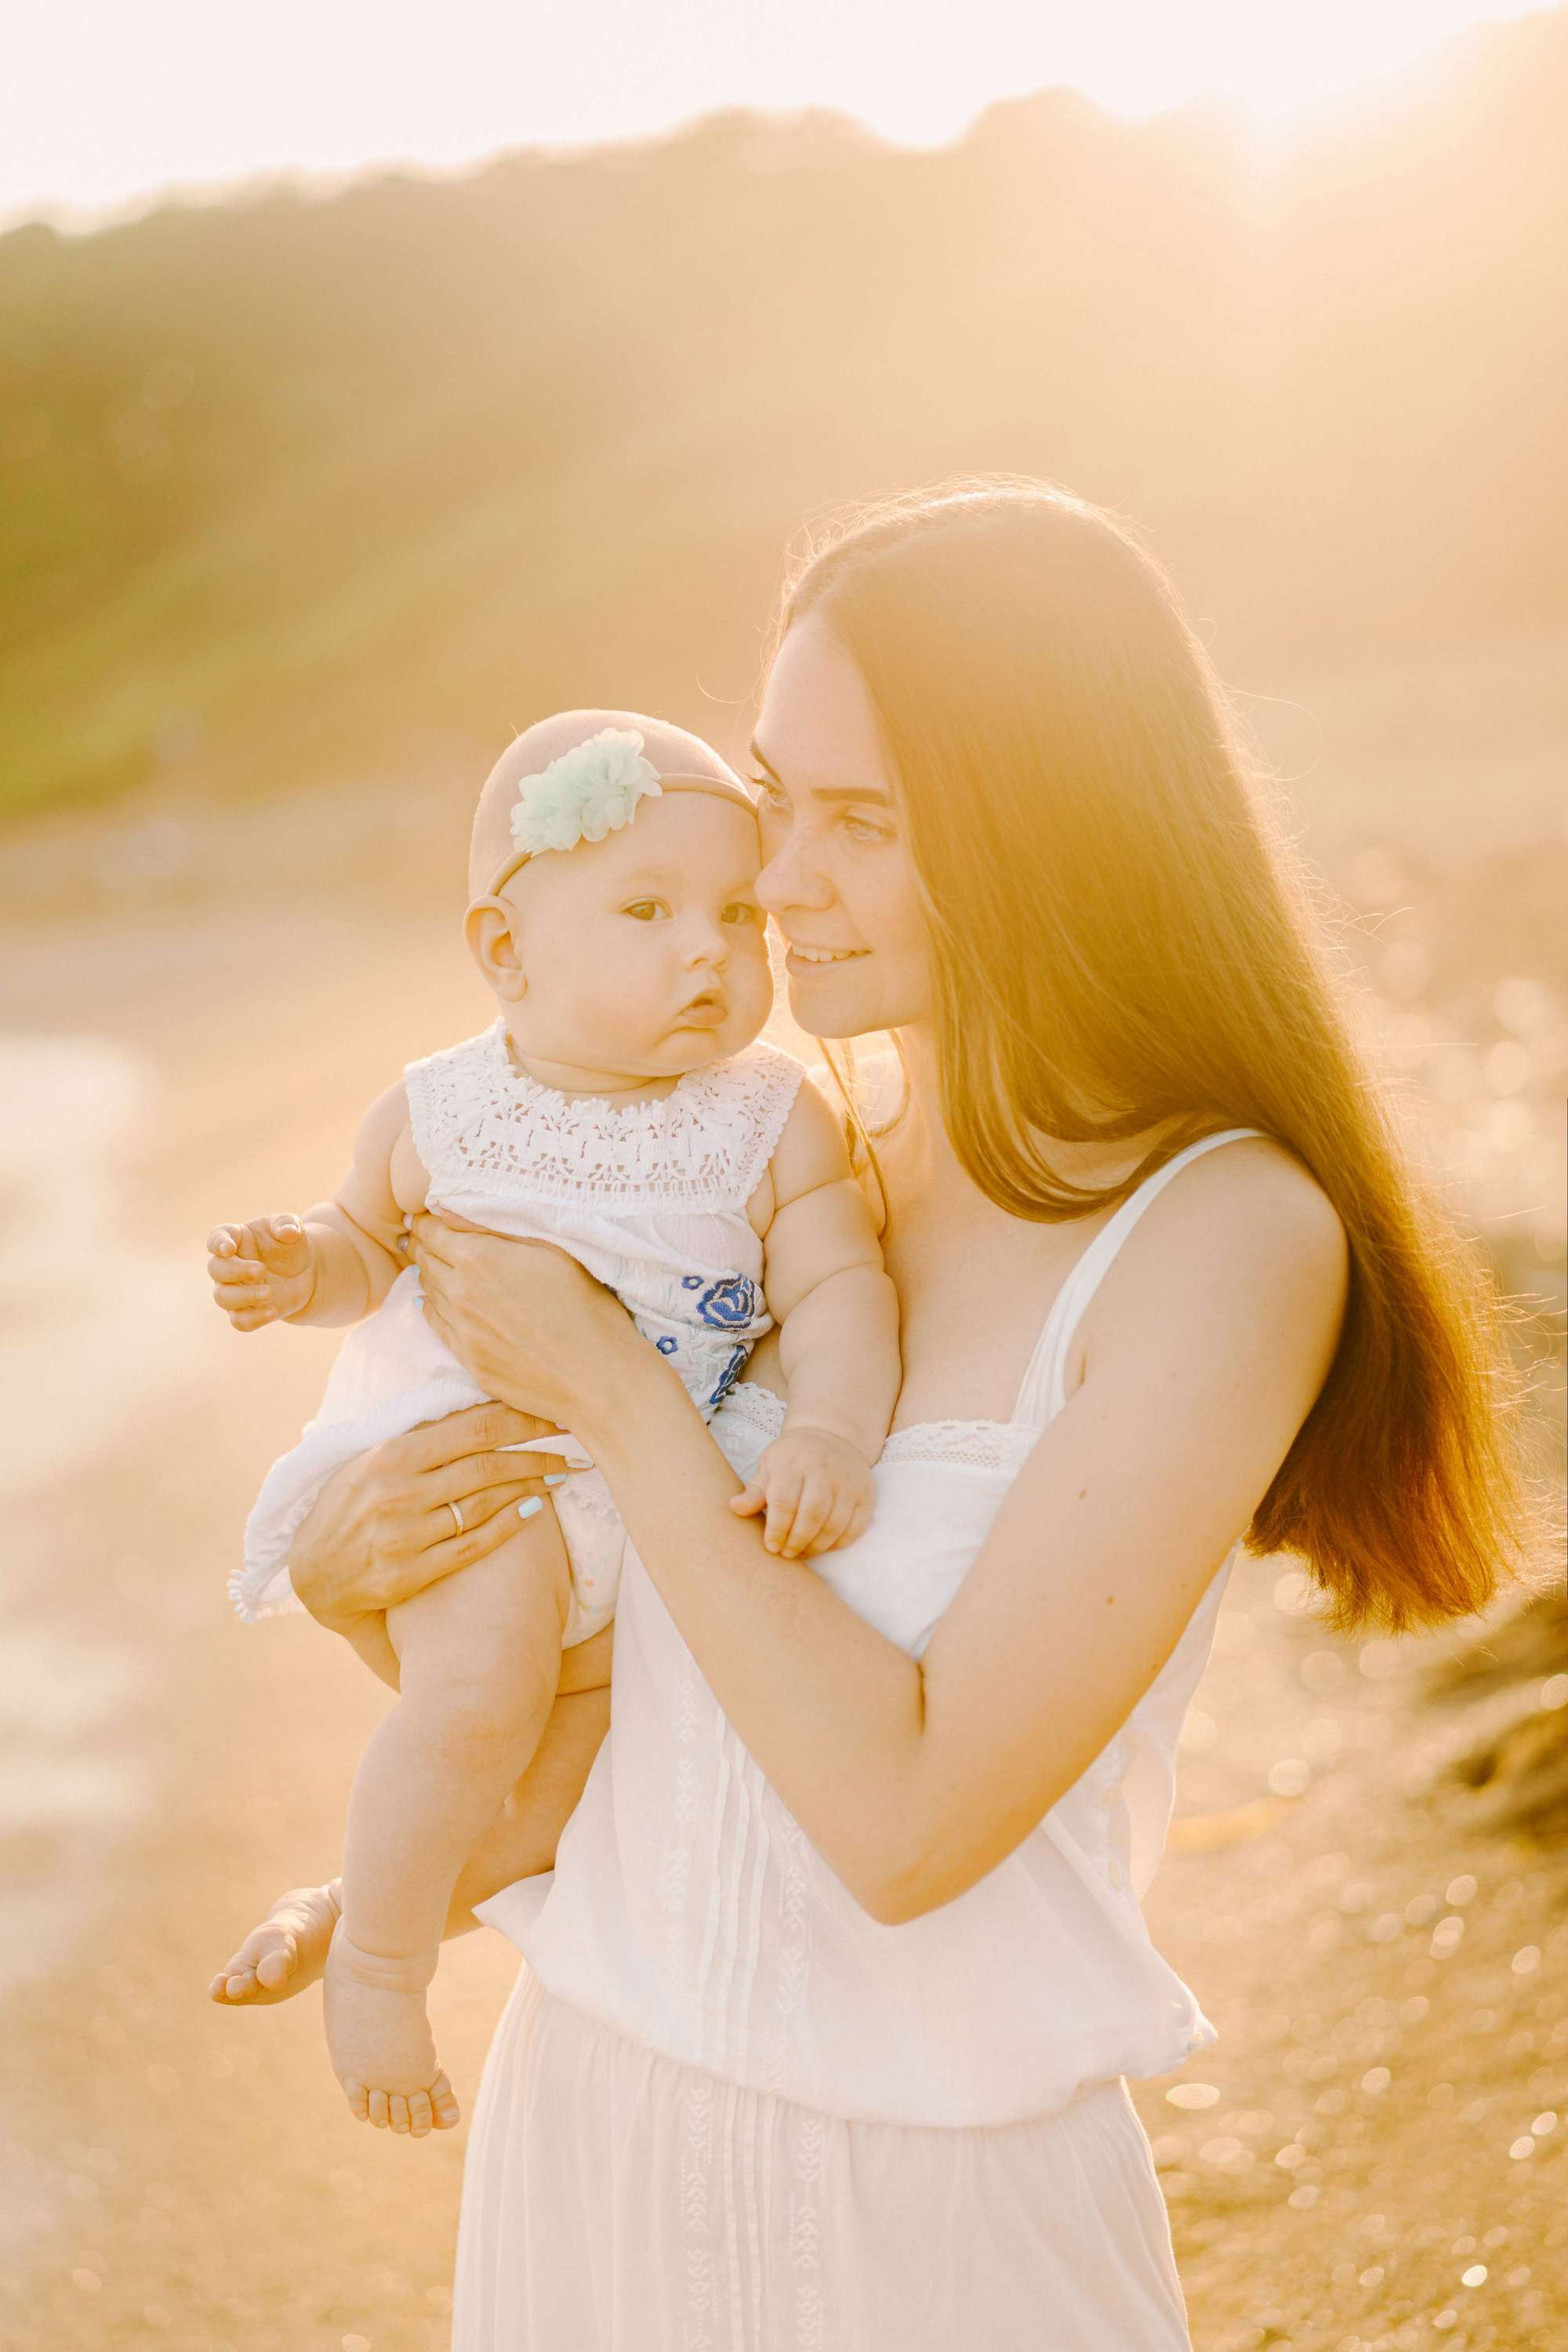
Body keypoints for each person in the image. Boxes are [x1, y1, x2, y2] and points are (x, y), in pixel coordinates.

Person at [212, 480, 1535, 2349]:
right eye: (775, 799)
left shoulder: (1218, 1240)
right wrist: (387, 1650)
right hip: (591, 2138)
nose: (775, 881)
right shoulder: (781, 1168)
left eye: (859, 822)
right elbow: (650, 1693)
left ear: (1049, 835)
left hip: (936, 2230)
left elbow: (904, 1825)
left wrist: (607, 1389)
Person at [203, 711, 898, 2129]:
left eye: (736, 915)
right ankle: (385, 1978)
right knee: (476, 1707)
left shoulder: (771, 1121)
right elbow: (361, 1243)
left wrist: (829, 1428)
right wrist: (302, 1269)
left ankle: (359, 1903)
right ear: (507, 952)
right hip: (489, 1481)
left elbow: (839, 1288)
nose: (709, 949)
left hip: (660, 1511)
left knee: (576, 1783)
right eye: (647, 911)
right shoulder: (443, 1109)